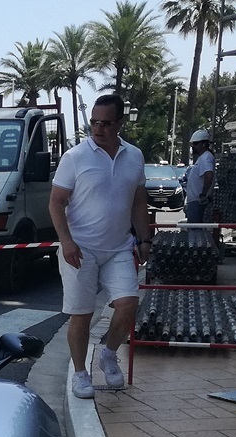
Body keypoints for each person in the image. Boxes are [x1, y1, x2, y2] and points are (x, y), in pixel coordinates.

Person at [49, 94, 150, 400]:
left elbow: (138, 201)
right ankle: (81, 374)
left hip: (119, 247)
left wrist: (145, 239)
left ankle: (108, 353)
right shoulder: (76, 157)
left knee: (129, 304)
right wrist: (66, 242)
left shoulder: (134, 156)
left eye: (106, 123)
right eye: (94, 122)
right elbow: (56, 202)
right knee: (82, 314)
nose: (98, 128)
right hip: (80, 248)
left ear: (120, 123)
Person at [184, 129, 218, 248]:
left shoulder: (206, 158)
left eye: (196, 143)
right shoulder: (203, 158)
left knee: (195, 231)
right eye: (193, 144)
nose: (193, 146)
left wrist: (203, 194)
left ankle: (196, 252)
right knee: (194, 230)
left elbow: (209, 175)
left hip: (198, 201)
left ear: (204, 144)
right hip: (195, 200)